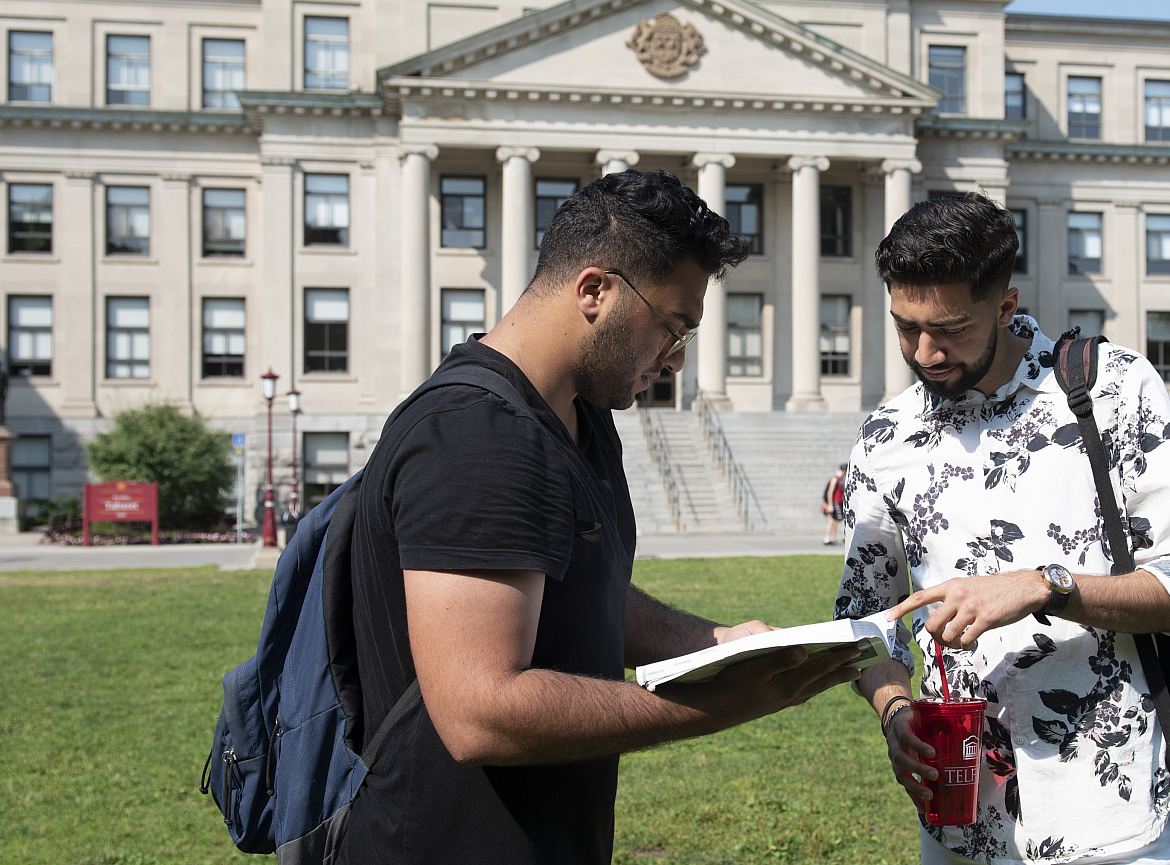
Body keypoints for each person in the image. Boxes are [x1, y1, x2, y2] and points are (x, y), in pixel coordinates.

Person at [340, 169, 862, 864]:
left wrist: (716, 640)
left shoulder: (583, 416)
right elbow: (478, 713)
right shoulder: (476, 436)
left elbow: (585, 598)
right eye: (672, 326)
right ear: (595, 291)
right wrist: (723, 703)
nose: (675, 360)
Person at [835, 193, 1170, 865]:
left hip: (1112, 820)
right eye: (906, 327)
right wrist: (894, 710)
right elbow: (862, 621)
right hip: (962, 827)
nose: (925, 352)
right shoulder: (885, 438)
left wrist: (1048, 588)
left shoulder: (1114, 390)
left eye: (951, 329)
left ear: (1005, 305)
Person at [821, 464, 848, 547]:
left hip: (839, 502)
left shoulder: (842, 479)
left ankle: (832, 538)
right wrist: (830, 504)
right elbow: (830, 492)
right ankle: (829, 538)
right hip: (834, 502)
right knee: (834, 520)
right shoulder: (835, 479)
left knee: (834, 520)